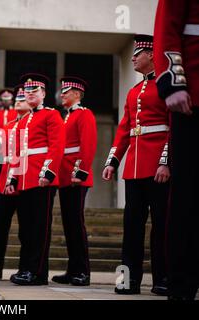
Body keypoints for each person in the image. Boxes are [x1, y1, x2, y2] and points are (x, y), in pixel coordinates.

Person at [103, 35, 170, 296]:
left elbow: (172, 129)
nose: (132, 58)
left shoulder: (165, 86)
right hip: (133, 168)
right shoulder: (133, 92)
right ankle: (127, 280)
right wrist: (113, 161)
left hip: (158, 169)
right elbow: (124, 131)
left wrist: (166, 162)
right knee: (131, 228)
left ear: (152, 55)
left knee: (162, 227)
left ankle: (163, 279)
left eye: (138, 53)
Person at [154, 0, 199, 300]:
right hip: (193, 98)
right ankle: (182, 285)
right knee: (188, 198)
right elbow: (166, 29)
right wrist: (173, 82)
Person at [6, 73, 65, 286]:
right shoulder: (23, 121)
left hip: (41, 178)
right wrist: (13, 178)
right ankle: (26, 268)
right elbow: (17, 153)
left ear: (43, 94)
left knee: (40, 228)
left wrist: (48, 172)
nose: (30, 95)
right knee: (26, 229)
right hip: (24, 179)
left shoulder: (52, 115)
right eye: (27, 92)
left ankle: (38, 272)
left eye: (35, 91)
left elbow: (57, 145)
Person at [0, 85, 30, 281]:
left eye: (21, 99)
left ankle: (25, 268)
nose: (16, 101)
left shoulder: (30, 124)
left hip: (23, 182)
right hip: (4, 180)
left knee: (25, 230)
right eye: (15, 98)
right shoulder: (7, 124)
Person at [52, 77, 96, 287]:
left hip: (75, 176)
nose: (62, 94)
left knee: (76, 225)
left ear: (77, 93)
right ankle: (73, 270)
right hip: (64, 176)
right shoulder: (66, 117)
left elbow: (87, 146)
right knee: (69, 226)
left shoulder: (84, 114)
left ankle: (83, 272)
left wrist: (80, 173)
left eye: (66, 91)